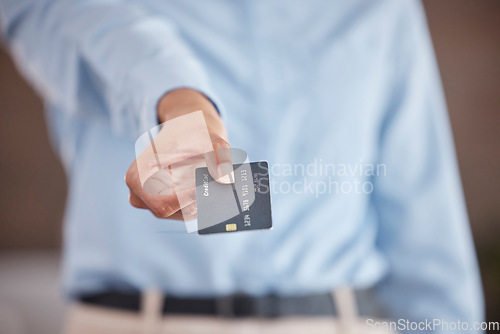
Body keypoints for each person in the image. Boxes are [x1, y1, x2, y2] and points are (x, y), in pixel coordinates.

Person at [0, 0, 484, 333]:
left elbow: (425, 236)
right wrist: (181, 99)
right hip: (140, 321)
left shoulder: (379, 11)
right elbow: (94, 27)